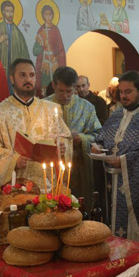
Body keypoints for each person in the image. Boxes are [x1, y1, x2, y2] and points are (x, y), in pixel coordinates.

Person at [94, 71, 139, 245]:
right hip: (112, 184)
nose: (123, 96)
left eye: (128, 91)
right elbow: (101, 138)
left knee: (134, 241)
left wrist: (125, 161)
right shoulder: (116, 115)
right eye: (121, 92)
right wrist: (96, 146)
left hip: (136, 189)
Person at [0, 58, 71, 189]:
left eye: (32, 75)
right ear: (12, 79)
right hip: (18, 185)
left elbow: (65, 137)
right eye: (22, 75)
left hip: (49, 184)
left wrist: (63, 146)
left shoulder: (50, 109)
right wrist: (13, 160)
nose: (28, 79)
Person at [45, 66, 101, 209]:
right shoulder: (43, 106)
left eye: (69, 91)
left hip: (78, 169)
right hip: (51, 169)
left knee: (78, 208)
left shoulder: (86, 107)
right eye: (61, 91)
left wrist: (82, 138)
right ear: (53, 85)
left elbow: (98, 134)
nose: (65, 95)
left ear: (75, 87)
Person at [0, 1, 31, 92]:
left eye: (11, 11)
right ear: (3, 12)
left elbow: (24, 54)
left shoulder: (18, 33)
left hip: (14, 70)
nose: (10, 14)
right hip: (1, 67)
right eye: (7, 11)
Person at [33, 5, 66, 97]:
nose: (48, 17)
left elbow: (61, 49)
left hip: (55, 64)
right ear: (43, 16)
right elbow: (35, 51)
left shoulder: (55, 30)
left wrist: (56, 58)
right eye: (46, 14)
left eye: (50, 14)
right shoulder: (41, 30)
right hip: (44, 65)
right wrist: (42, 45)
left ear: (52, 15)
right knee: (45, 88)